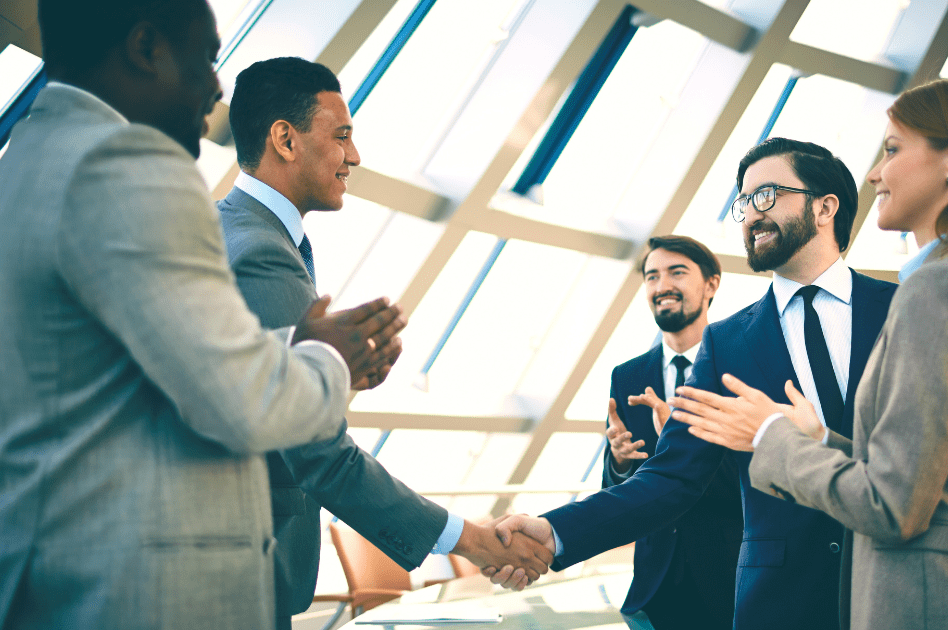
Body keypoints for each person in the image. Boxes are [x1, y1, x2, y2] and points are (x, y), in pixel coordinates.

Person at [0, 0, 420, 628]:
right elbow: (239, 401)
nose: (218, 87)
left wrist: (284, 346)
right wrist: (333, 359)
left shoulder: (29, 156)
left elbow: (138, 375)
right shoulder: (130, 167)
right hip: (124, 590)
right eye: (205, 58)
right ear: (145, 48)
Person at [676, 78, 948, 630]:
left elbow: (891, 507)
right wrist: (819, 440)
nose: (875, 173)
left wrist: (771, 438)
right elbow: (934, 478)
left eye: (892, 150)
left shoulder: (939, 290)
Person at [491, 139, 896, 630]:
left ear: (825, 206)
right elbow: (671, 477)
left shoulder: (901, 308)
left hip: (897, 582)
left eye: (766, 195)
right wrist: (555, 530)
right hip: (782, 604)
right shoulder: (728, 343)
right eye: (743, 203)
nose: (749, 215)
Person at [218, 56, 551, 629]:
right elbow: (315, 450)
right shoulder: (260, 253)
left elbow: (251, 404)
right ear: (285, 140)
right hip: (240, 582)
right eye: (341, 136)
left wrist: (335, 374)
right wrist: (473, 541)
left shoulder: (235, 230)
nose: (354, 156)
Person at [602, 235, 741, 630]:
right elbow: (614, 493)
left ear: (711, 284)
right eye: (652, 276)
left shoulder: (740, 366)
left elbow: (759, 478)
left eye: (677, 273)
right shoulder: (627, 376)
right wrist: (619, 462)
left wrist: (684, 440)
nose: (662, 285)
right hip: (654, 588)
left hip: (730, 578)